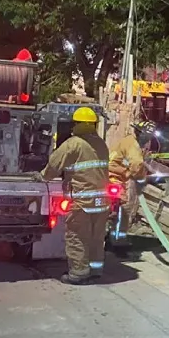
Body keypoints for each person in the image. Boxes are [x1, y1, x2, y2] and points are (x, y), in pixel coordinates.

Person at [40, 106, 111, 285]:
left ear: (77, 124)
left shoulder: (73, 144)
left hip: (82, 200)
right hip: (102, 201)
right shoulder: (101, 144)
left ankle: (78, 273)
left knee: (77, 237)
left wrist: (42, 177)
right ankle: (95, 270)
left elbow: (54, 164)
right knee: (96, 237)